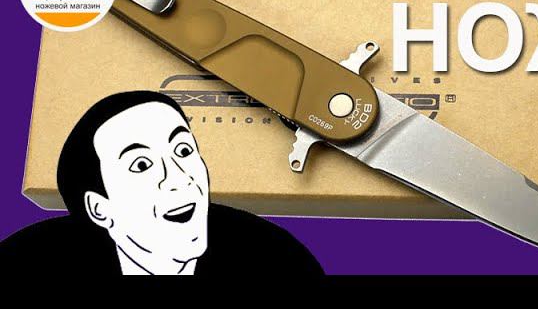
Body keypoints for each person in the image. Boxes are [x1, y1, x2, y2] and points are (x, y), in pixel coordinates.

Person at [0, 91, 324, 277]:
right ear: (100, 209)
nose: (179, 178)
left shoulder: (279, 261)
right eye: (142, 165)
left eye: (183, 151)